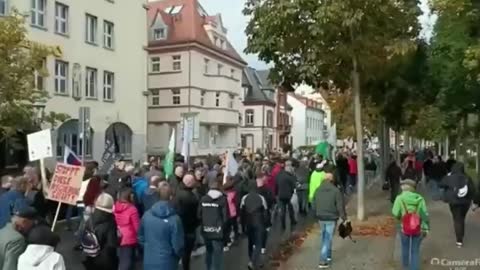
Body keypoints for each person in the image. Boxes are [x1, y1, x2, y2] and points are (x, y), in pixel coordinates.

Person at [139, 182, 184, 270]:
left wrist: (149, 248)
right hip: (168, 261)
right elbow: (178, 245)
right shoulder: (175, 219)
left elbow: (140, 237)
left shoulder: (146, 215)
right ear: (171, 197)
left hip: (149, 260)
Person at [392, 179, 429, 270]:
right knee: (415, 251)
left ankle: (405, 267)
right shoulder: (420, 199)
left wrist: (401, 216)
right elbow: (425, 214)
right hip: (418, 228)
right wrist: (425, 229)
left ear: (403, 188)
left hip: (404, 228)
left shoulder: (399, 198)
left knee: (405, 248)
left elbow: (395, 213)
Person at [312, 173, 347, 268]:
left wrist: (315, 213)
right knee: (328, 238)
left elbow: (313, 203)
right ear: (332, 180)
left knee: (325, 236)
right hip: (331, 217)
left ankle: (328, 256)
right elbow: (340, 206)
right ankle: (322, 261)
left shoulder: (318, 190)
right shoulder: (336, 190)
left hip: (321, 217)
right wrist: (343, 217)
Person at [439, 162, 475, 247]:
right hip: (466, 202)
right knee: (461, 218)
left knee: (457, 219)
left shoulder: (449, 177)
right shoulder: (467, 177)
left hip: (453, 201)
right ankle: (461, 233)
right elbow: (473, 189)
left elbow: (440, 184)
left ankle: (459, 240)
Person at [83, 193, 119, 270]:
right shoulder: (110, 221)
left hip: (91, 255)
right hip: (106, 259)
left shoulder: (90, 218)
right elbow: (112, 244)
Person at [198, 177, 228, 270]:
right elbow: (225, 217)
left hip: (206, 230)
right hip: (218, 231)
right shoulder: (222, 199)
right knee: (217, 255)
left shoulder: (203, 199)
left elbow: (199, 215)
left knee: (209, 252)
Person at [240, 180, 268, 270]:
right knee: (259, 243)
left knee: (251, 243)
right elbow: (265, 211)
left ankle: (253, 260)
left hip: (249, 223)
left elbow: (242, 212)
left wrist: (242, 225)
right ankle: (253, 261)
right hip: (259, 222)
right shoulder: (261, 198)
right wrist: (266, 223)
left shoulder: (244, 198)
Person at [174, 174, 200, 270]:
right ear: (191, 183)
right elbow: (197, 214)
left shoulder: (177, 194)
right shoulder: (193, 197)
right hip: (189, 229)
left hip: (179, 227)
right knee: (186, 254)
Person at [113, 188, 140, 270]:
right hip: (129, 238)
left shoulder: (115, 206)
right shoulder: (132, 209)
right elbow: (136, 226)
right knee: (127, 262)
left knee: (122, 258)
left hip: (118, 235)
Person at [256, 173, 274, 255]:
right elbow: (271, 200)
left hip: (255, 214)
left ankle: (256, 244)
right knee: (264, 231)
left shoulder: (253, 191)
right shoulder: (267, 190)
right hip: (265, 213)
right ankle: (263, 247)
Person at [275, 161, 297, 231]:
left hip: (280, 195)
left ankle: (283, 224)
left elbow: (276, 184)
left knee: (282, 210)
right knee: (290, 209)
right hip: (289, 195)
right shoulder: (290, 177)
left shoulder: (279, 175)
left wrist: (276, 193)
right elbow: (294, 186)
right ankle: (292, 220)